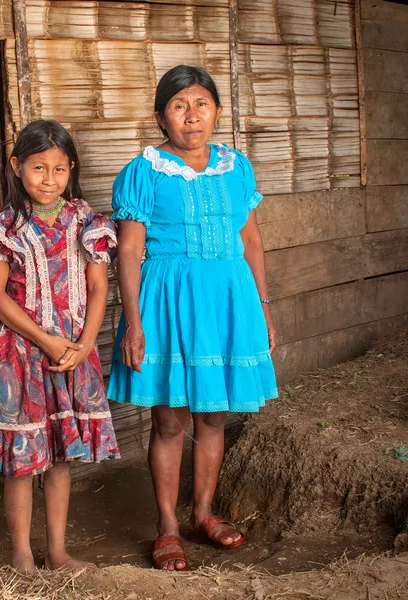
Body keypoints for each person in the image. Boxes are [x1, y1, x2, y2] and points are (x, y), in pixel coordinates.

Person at [107, 65, 278, 571]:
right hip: (167, 302)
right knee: (168, 420)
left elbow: (250, 241)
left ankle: (203, 513)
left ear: (218, 111)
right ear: (161, 118)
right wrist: (134, 323)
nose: (192, 115)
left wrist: (264, 307)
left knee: (213, 414)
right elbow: (130, 249)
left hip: (228, 299)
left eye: (201, 103)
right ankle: (166, 526)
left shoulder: (235, 166)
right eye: (179, 106)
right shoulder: (144, 171)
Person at [0, 119, 120, 572]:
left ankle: (58, 552)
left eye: (60, 169)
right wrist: (46, 339)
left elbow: (99, 289)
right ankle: (22, 556)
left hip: (72, 353)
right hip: (21, 354)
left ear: (71, 169)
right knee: (22, 459)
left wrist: (84, 345)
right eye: (38, 168)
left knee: (61, 457)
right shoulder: (1, 227)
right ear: (16, 167)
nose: (50, 180)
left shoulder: (87, 223)